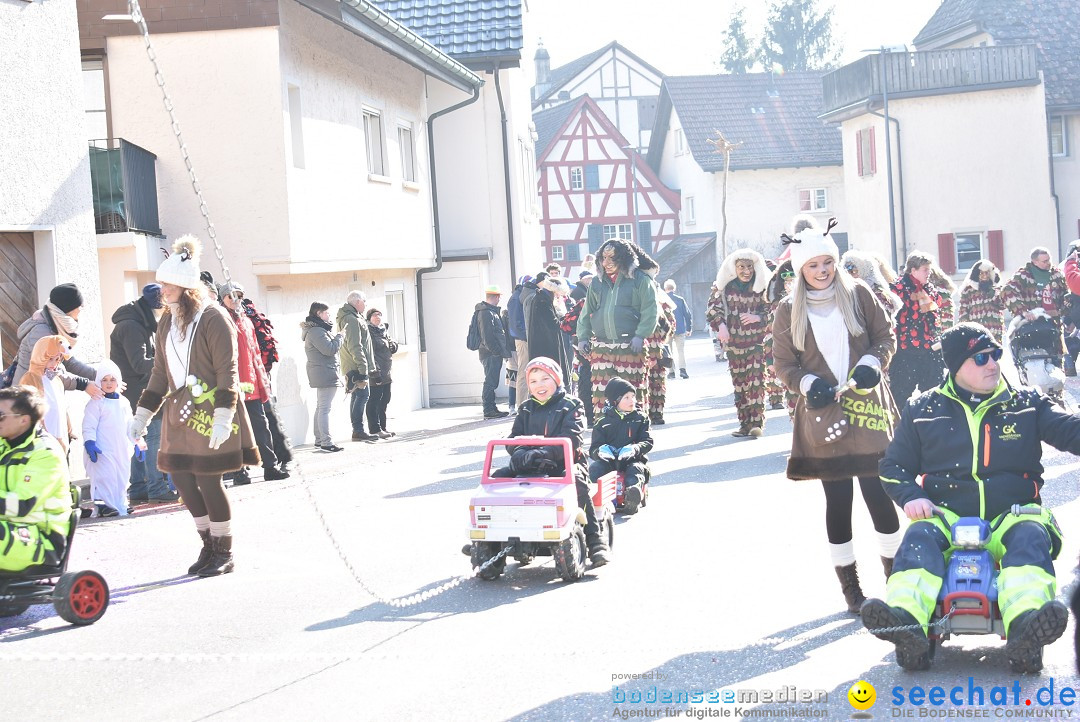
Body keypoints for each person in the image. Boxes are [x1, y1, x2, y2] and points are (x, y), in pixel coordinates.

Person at [863, 322, 1075, 672]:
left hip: (1012, 513)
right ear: (957, 365)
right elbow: (892, 467)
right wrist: (911, 496)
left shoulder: (1025, 404)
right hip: (945, 515)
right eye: (981, 358)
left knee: (1029, 540)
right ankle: (906, 623)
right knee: (918, 539)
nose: (992, 363)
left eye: (996, 354)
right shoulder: (924, 409)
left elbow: (1069, 432)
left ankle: (1026, 628)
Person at [772, 221, 903, 613]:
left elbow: (886, 338)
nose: (823, 270)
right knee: (838, 500)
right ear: (800, 269)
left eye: (828, 261)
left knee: (879, 495)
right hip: (823, 413)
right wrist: (808, 382)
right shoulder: (787, 310)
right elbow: (783, 364)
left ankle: (899, 582)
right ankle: (852, 592)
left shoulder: (858, 293)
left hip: (867, 409)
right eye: (813, 264)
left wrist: (871, 363)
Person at [129, 235, 259, 577]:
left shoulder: (214, 317)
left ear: (186, 287)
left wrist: (223, 415)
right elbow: (160, 372)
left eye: (168, 285)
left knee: (208, 480)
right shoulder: (166, 322)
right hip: (178, 413)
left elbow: (226, 370)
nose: (162, 290)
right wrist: (142, 415)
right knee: (182, 480)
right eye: (160, 284)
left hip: (212, 409)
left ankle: (224, 550)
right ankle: (207, 544)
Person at [495, 357, 609, 566]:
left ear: (556, 379)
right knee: (497, 479)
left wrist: (546, 452)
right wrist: (520, 452)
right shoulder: (526, 408)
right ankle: (493, 538)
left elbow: (573, 437)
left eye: (545, 379)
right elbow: (513, 438)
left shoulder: (572, 405)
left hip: (564, 464)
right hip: (529, 465)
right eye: (534, 381)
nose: (540, 385)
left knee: (577, 482)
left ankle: (595, 540)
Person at [576, 239, 660, 417]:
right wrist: (582, 337)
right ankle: (605, 434)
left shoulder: (640, 280)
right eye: (603, 258)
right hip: (601, 348)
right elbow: (586, 313)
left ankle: (635, 435)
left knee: (631, 394)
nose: (605, 263)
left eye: (611, 258)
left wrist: (640, 335)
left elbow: (650, 311)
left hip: (630, 346)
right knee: (602, 397)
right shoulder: (596, 283)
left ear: (624, 259)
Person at [111, 283, 176, 503]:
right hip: (141, 392)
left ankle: (139, 488)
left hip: (139, 390)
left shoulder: (140, 321)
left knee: (139, 438)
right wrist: (169, 360)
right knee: (153, 437)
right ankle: (156, 488)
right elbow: (139, 364)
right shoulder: (132, 326)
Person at [219, 281, 287, 483]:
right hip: (232, 384)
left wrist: (261, 379)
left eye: (238, 296)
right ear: (223, 299)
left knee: (261, 427)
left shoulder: (246, 321)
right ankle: (239, 470)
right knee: (236, 431)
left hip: (251, 384)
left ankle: (270, 466)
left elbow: (255, 353)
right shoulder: (220, 321)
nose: (235, 300)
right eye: (230, 296)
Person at [0, 386, 73, 571]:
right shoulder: (4, 445)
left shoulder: (45, 453)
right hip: (9, 529)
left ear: (24, 420)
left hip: (42, 539)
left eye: (1, 415)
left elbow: (22, 505)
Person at [707, 249, 772, 438]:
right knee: (740, 385)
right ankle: (744, 424)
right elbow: (712, 309)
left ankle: (756, 424)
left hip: (757, 344)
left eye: (749, 267)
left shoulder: (762, 288)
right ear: (734, 268)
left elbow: (772, 311)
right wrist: (721, 327)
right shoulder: (724, 287)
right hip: (735, 346)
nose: (746, 271)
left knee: (757, 384)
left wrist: (756, 317)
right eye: (741, 267)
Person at [15, 283, 102, 401]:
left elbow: (69, 361)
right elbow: (49, 372)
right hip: (29, 399)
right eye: (79, 305)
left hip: (45, 395)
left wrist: (101, 375)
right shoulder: (42, 332)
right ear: (68, 308)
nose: (82, 308)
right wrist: (84, 384)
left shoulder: (56, 326)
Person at [242, 295, 293, 476]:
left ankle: (249, 466)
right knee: (267, 419)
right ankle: (280, 458)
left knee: (256, 421)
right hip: (261, 375)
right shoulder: (254, 316)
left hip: (251, 377)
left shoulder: (239, 318)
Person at [82, 361, 141, 517]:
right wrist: (89, 442)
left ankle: (120, 503)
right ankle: (102, 505)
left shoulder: (124, 402)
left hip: (121, 448)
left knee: (121, 476)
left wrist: (137, 442)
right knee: (103, 477)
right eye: (105, 380)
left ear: (118, 382)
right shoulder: (96, 402)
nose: (108, 383)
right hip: (102, 449)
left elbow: (130, 424)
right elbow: (89, 424)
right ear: (99, 381)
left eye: (112, 380)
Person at [889, 251, 948, 405]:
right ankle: (901, 426)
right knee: (900, 394)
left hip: (929, 349)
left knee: (934, 393)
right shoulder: (897, 289)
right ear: (913, 270)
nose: (929, 273)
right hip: (905, 350)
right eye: (925, 270)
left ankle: (930, 424)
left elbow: (935, 315)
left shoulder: (929, 288)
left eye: (929, 269)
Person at [588, 377, 653, 514]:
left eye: (633, 397)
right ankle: (590, 497)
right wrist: (600, 452)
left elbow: (647, 441)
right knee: (595, 469)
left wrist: (635, 449)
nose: (632, 401)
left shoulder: (640, 419)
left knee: (635, 471)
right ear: (615, 401)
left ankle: (632, 496)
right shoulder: (602, 422)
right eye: (626, 398)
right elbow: (593, 448)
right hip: (610, 461)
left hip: (633, 459)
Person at [1001, 246, 1069, 370]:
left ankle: (1057, 386)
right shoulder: (1023, 275)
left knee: (1056, 357)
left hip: (1054, 323)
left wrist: (1067, 316)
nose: (1048, 263)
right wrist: (1023, 311)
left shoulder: (1057, 274)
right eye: (1044, 261)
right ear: (1034, 262)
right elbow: (1007, 292)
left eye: (1049, 260)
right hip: (1033, 324)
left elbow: (1065, 296)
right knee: (1037, 357)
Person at [19, 336, 73, 455]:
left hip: (61, 437)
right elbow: (27, 410)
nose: (54, 364)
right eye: (50, 359)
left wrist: (69, 428)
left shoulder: (56, 380)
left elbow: (62, 407)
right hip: (43, 442)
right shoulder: (30, 379)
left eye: (57, 359)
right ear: (41, 356)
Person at [301, 302, 343, 452]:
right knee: (324, 408)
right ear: (319, 313)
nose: (329, 316)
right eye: (326, 313)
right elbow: (329, 349)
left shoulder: (316, 329)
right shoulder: (317, 331)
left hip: (322, 371)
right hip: (325, 372)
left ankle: (319, 439)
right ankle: (326, 442)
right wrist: (340, 337)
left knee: (321, 407)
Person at [337, 291, 379, 442]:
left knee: (358, 396)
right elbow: (356, 345)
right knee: (362, 395)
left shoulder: (354, 317)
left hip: (355, 364)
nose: (366, 304)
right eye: (364, 301)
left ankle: (358, 430)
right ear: (357, 302)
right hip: (355, 365)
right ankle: (358, 430)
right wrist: (363, 369)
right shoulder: (351, 319)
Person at [764, 260, 799, 416]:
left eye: (793, 276)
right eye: (785, 277)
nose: (788, 281)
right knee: (794, 407)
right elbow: (771, 334)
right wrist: (770, 361)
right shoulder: (777, 305)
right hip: (789, 361)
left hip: (813, 360)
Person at [527, 273, 572, 386]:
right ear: (554, 291)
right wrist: (565, 319)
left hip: (544, 345)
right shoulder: (542, 301)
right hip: (545, 347)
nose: (559, 297)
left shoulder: (541, 298)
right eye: (558, 294)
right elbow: (553, 324)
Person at [475, 285, 513, 419]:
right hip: (490, 354)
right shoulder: (486, 312)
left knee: (491, 381)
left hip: (490, 353)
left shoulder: (487, 311)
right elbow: (488, 336)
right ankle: (489, 409)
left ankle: (491, 408)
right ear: (496, 297)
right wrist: (496, 351)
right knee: (491, 382)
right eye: (499, 297)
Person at [366, 307, 398, 438]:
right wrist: (375, 372)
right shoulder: (369, 332)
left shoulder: (383, 330)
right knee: (375, 400)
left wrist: (393, 345)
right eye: (374, 315)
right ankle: (375, 429)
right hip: (376, 372)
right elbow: (370, 354)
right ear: (369, 318)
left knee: (385, 399)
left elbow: (392, 346)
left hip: (387, 371)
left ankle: (383, 427)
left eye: (379, 315)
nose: (377, 317)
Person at [840, 250, 902, 318]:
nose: (849, 275)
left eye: (853, 271)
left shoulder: (878, 293)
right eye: (845, 271)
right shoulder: (846, 291)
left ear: (864, 270)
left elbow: (882, 322)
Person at [956, 260, 1005, 341]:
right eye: (981, 273)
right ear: (976, 274)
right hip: (976, 332)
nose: (984, 276)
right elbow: (963, 310)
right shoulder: (968, 291)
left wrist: (994, 294)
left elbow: (1003, 305)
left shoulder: (996, 289)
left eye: (987, 273)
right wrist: (965, 328)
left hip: (995, 330)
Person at [569, 271, 595, 425]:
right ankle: (593, 417)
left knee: (586, 379)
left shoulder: (582, 302)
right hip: (592, 347)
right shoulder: (582, 302)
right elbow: (566, 323)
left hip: (585, 345)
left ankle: (591, 417)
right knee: (589, 379)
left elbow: (566, 324)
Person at [506, 275, 532, 407]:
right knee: (523, 371)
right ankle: (521, 404)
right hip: (522, 340)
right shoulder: (516, 298)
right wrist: (526, 337)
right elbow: (516, 324)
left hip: (523, 338)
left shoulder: (518, 296)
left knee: (525, 370)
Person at [663, 280, 692, 380]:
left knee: (669, 351)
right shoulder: (680, 299)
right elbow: (687, 315)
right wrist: (689, 328)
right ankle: (683, 370)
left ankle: (671, 372)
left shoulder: (662, 301)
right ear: (674, 288)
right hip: (680, 329)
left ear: (665, 289)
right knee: (681, 351)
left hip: (667, 330)